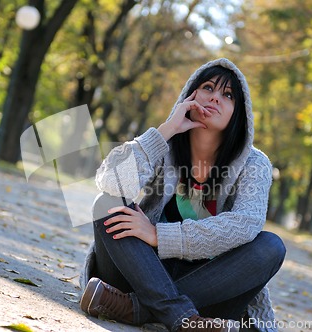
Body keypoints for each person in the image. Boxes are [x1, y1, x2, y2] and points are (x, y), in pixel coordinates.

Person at [79, 58, 286, 332]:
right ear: (191, 94)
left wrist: (157, 235)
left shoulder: (253, 163)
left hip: (210, 291)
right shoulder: (163, 145)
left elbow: (246, 223)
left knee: (271, 246)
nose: (215, 98)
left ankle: (140, 310)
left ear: (239, 111)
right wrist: (165, 131)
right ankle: (180, 317)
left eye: (228, 95)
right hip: (140, 271)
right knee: (107, 203)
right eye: (208, 88)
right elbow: (110, 182)